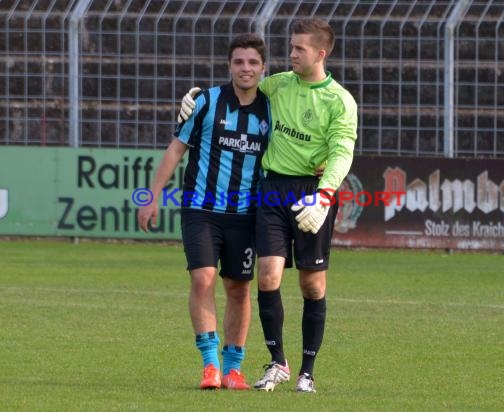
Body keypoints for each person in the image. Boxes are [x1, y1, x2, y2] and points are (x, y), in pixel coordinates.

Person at [179, 18, 358, 393]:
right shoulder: (279, 84)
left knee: (311, 285)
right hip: (273, 190)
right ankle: (277, 363)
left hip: (314, 193)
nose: (291, 54)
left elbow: (342, 152)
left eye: (299, 49)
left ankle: (307, 372)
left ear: (320, 54)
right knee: (267, 277)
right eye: (291, 47)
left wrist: (324, 195)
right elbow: (242, 87)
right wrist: (194, 101)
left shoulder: (340, 100)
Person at [137, 33, 271, 390]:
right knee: (203, 278)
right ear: (229, 66)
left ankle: (234, 368)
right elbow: (176, 149)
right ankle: (210, 365)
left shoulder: (271, 109)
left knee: (239, 288)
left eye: (253, 62)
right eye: (239, 62)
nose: (246, 68)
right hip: (200, 208)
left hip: (246, 213)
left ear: (263, 68)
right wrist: (152, 195)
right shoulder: (207, 102)